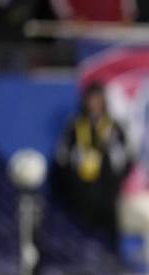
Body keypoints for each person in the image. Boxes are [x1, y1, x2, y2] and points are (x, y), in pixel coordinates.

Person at [52, 82, 132, 265]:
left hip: (107, 191)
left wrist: (115, 182)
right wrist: (72, 184)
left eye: (98, 99)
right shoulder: (75, 126)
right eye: (91, 99)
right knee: (81, 229)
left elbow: (126, 157)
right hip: (81, 192)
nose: (94, 103)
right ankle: (81, 266)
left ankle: (112, 265)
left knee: (110, 230)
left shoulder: (113, 126)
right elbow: (62, 158)